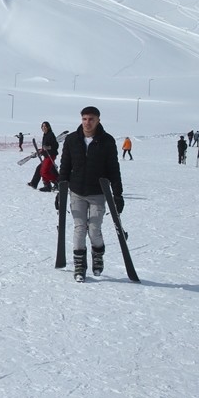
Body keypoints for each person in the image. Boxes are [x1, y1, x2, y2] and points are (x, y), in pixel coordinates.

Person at [56, 106, 123, 283]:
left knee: (94, 228)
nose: (87, 123)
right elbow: (64, 167)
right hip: (77, 191)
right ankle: (79, 265)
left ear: (98, 120)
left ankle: (97, 255)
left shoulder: (107, 141)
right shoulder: (72, 140)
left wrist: (117, 195)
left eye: (91, 119)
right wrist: (60, 192)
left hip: (98, 193)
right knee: (79, 228)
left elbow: (114, 169)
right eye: (84, 119)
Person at [28, 121, 58, 189]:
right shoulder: (45, 135)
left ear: (48, 127)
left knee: (44, 172)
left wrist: (48, 147)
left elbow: (55, 145)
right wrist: (41, 151)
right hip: (46, 156)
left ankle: (57, 182)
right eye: (43, 126)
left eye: (45, 126)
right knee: (41, 170)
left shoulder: (50, 134)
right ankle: (47, 185)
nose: (44, 128)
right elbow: (45, 146)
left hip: (50, 156)